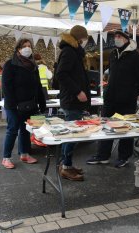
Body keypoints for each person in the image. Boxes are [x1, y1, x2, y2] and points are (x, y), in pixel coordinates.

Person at [86, 29, 139, 168]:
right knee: (106, 126)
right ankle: (103, 155)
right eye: (115, 36)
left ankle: (124, 157)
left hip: (127, 100)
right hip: (110, 98)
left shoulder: (136, 56)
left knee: (125, 128)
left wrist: (134, 93)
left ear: (126, 39)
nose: (116, 38)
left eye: (119, 36)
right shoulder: (113, 54)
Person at [1, 38, 46, 169]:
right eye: (24, 46)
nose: (27, 48)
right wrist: (12, 104)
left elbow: (38, 86)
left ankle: (24, 154)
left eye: (29, 46)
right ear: (18, 49)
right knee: (12, 130)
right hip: (14, 105)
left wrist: (42, 103)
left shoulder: (33, 66)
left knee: (26, 130)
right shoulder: (10, 64)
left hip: (30, 104)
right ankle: (6, 157)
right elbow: (6, 87)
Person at [56, 25, 90, 181]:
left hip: (72, 100)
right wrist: (78, 91)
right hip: (71, 100)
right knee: (72, 135)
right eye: (84, 39)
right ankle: (66, 167)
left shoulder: (73, 51)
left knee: (72, 134)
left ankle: (66, 164)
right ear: (79, 39)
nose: (85, 42)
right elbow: (61, 74)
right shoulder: (69, 52)